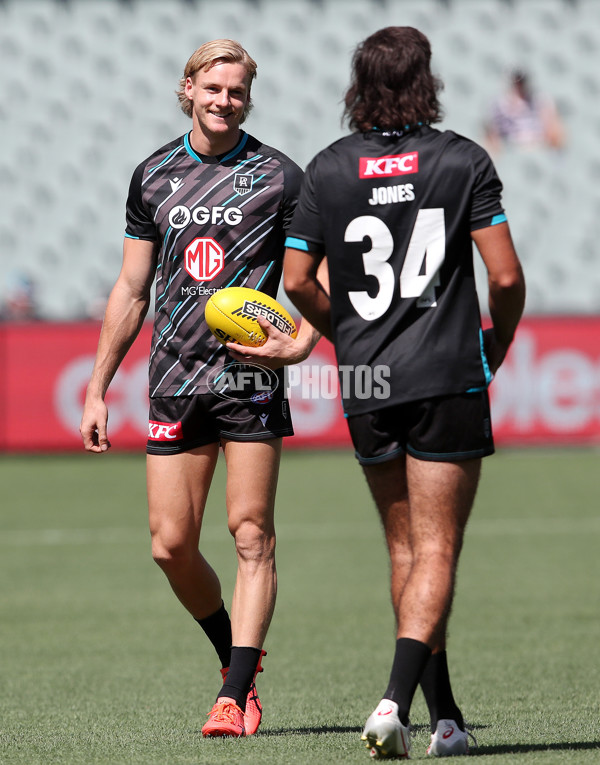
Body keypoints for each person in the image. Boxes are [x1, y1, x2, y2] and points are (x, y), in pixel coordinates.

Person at [284, 27, 525, 759]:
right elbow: (507, 277)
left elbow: (296, 282)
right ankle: (393, 701)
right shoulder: (462, 160)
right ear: (427, 80)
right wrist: (496, 346)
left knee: (404, 548)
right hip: (445, 372)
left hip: (366, 378)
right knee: (439, 546)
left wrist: (347, 334)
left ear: (358, 84)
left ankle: (445, 717)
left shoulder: (326, 169)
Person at [80, 39, 320, 739]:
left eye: (237, 91)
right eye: (212, 88)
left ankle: (235, 695)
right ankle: (233, 657)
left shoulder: (280, 176)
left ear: (249, 98)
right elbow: (131, 289)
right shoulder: (152, 174)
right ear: (187, 89)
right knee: (170, 544)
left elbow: (319, 277)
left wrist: (300, 342)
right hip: (174, 379)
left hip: (248, 381)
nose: (224, 101)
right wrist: (98, 388)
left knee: (252, 535)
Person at [484, 68, 565, 155]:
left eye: (521, 83)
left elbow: (553, 129)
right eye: (516, 83)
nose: (519, 86)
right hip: (511, 148)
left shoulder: (539, 100)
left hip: (538, 147)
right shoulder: (499, 104)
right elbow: (492, 133)